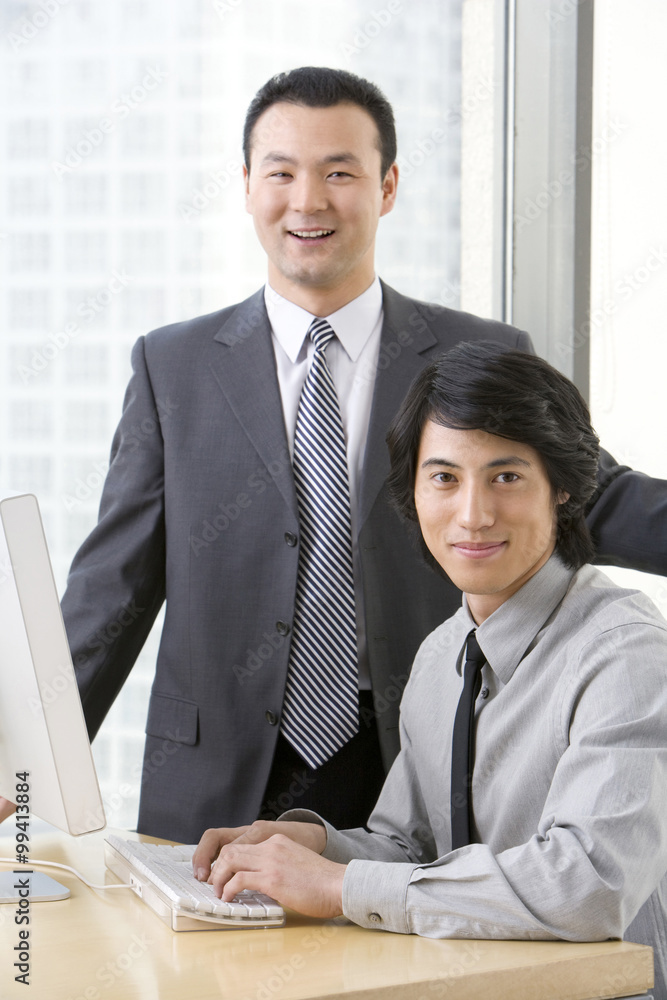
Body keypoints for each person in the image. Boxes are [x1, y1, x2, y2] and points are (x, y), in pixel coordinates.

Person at [31, 67, 667, 844]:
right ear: (246, 185)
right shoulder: (175, 366)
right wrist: (20, 768)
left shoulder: (478, 353)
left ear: (387, 185)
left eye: (340, 172)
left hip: (418, 765)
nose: (308, 200)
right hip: (212, 779)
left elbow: (591, 500)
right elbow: (112, 593)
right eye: (282, 172)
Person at [193, 343, 667, 1000]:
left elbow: (589, 886)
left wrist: (337, 887)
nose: (471, 514)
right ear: (411, 492)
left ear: (561, 489)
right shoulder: (442, 652)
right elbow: (412, 846)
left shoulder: (625, 652)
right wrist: (315, 848)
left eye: (505, 477)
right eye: (443, 477)